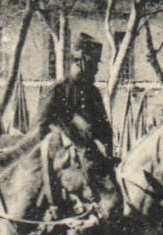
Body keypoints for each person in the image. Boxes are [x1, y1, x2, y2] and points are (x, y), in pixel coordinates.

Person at [39, 32, 114, 162]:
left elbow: (105, 131)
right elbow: (39, 131)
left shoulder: (93, 93)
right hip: (63, 165)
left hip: (92, 163)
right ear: (79, 60)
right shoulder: (58, 91)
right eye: (93, 63)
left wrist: (106, 151)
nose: (96, 69)